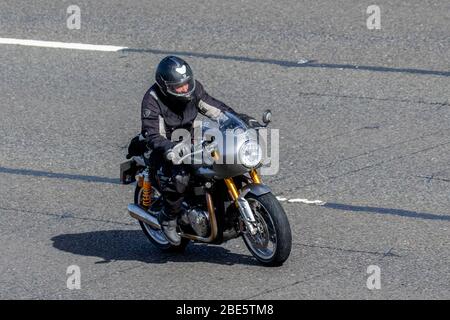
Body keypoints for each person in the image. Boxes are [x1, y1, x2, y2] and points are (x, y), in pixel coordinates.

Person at [140, 56, 241, 245]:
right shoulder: (152, 101)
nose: (185, 89)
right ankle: (168, 218)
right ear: (164, 86)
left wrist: (239, 121)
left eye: (187, 84)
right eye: (179, 87)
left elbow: (215, 108)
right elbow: (153, 135)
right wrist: (171, 148)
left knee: (225, 162)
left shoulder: (194, 89)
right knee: (180, 178)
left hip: (191, 140)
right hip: (163, 149)